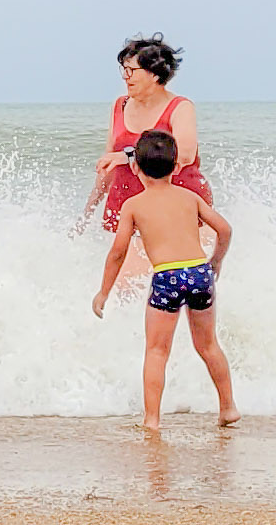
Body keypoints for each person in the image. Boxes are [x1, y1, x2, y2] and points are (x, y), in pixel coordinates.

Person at [90, 128, 237, 430]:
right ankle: (228, 407)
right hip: (199, 272)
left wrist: (103, 292)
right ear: (175, 166)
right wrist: (216, 261)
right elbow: (224, 229)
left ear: (135, 167)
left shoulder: (133, 205)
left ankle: (152, 419)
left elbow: (118, 253)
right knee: (208, 345)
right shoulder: (190, 196)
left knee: (157, 351)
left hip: (167, 277)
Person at [81, 35, 214, 227]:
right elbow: (109, 165)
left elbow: (184, 155)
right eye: (124, 70)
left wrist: (128, 157)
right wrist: (87, 213)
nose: (126, 76)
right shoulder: (120, 105)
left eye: (132, 70)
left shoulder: (180, 107)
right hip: (126, 206)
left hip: (176, 207)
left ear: (154, 74)